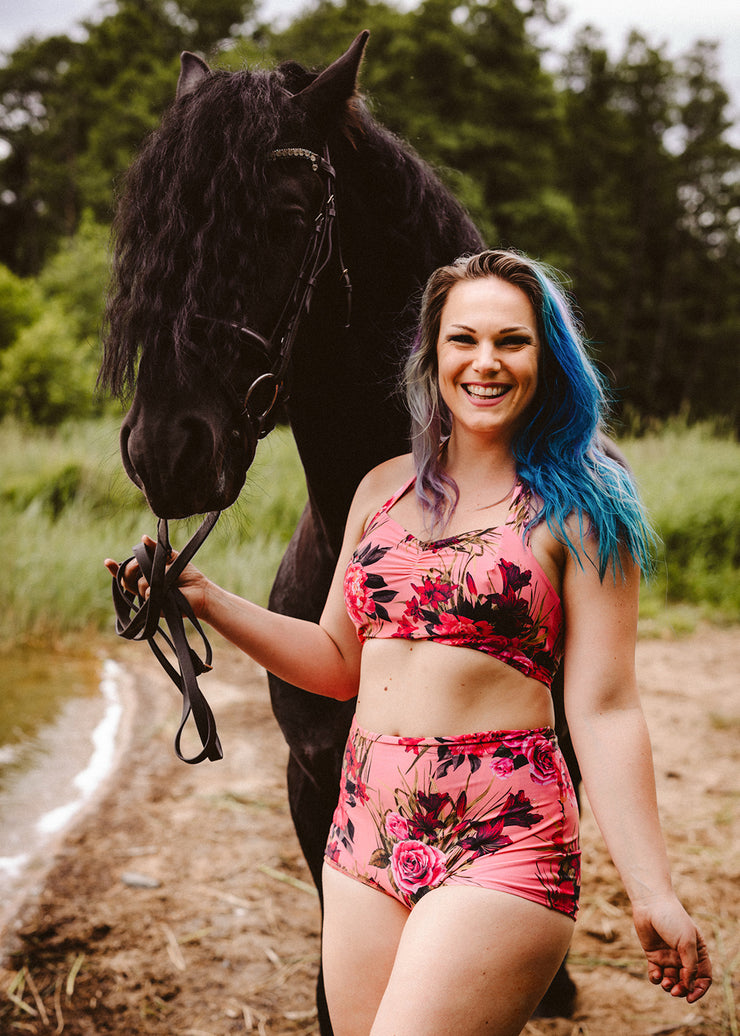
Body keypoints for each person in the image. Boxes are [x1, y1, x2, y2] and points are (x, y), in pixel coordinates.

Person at [106, 249, 712, 1036]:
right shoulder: (380, 488)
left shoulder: (585, 505)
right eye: (462, 340)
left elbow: (604, 708)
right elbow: (334, 665)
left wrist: (652, 889)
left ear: (549, 357)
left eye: (512, 341)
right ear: (432, 355)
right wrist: (203, 598)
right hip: (362, 836)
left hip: (501, 838)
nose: (485, 363)